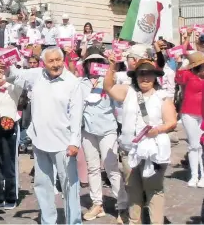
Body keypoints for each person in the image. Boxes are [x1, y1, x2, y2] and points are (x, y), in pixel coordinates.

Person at [4, 47, 83, 224]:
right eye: (51, 61)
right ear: (44, 63)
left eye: (58, 60)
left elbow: (76, 115)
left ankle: (74, 222)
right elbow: (15, 75)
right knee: (42, 185)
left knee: (69, 186)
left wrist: (74, 142)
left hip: (64, 144)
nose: (55, 64)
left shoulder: (72, 82)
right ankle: (48, 220)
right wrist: (6, 67)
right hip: (40, 140)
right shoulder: (37, 74)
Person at [104, 58, 177, 224]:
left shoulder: (162, 96)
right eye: (141, 74)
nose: (145, 78)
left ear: (155, 76)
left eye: (149, 74)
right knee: (133, 191)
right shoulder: (128, 91)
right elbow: (108, 87)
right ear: (135, 76)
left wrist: (158, 130)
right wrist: (112, 67)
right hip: (130, 150)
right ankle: (134, 221)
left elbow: (171, 122)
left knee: (154, 190)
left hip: (154, 152)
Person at [78, 51, 127, 223]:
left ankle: (122, 206)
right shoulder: (80, 83)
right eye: (91, 62)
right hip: (88, 131)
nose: (94, 65)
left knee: (112, 168)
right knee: (92, 168)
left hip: (108, 129)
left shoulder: (109, 80)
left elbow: (119, 98)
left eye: (98, 61)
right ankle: (97, 203)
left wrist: (111, 68)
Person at [0, 65, 22, 210]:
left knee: (8, 162)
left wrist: (8, 68)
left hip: (9, 127)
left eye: (1, 72)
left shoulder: (13, 87)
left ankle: (11, 196)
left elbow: (18, 79)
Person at [174, 51, 204, 187]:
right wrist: (184, 63)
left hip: (202, 114)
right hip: (189, 113)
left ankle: (203, 176)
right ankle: (194, 175)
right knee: (194, 145)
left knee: (202, 146)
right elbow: (178, 77)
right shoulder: (187, 75)